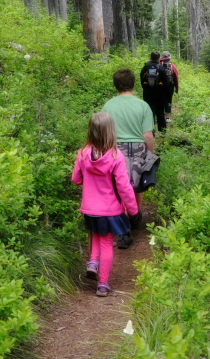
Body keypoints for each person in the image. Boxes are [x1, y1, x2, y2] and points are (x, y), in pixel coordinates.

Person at [72, 112, 141, 297]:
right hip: (110, 209)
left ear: (90, 131)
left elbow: (75, 179)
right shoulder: (116, 157)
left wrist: (88, 180)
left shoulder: (83, 154)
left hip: (90, 208)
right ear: (111, 132)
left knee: (96, 234)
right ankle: (102, 284)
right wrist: (134, 211)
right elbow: (124, 187)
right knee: (107, 242)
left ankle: (93, 262)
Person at [101, 68, 156, 249]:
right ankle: (135, 216)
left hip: (115, 149)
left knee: (118, 187)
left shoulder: (108, 106)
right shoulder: (143, 106)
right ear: (134, 84)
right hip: (138, 148)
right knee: (135, 184)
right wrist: (150, 154)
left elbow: (103, 132)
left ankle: (122, 221)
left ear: (115, 85)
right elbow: (147, 135)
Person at [140, 51, 168, 132]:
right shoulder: (161, 68)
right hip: (160, 94)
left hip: (148, 94)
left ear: (150, 57)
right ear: (159, 59)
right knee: (160, 113)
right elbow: (166, 84)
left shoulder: (145, 68)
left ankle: (151, 132)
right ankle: (163, 132)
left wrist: (145, 89)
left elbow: (142, 81)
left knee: (149, 113)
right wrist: (167, 97)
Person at [159, 51, 179, 124]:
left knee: (160, 100)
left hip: (160, 86)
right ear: (169, 57)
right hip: (170, 86)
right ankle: (167, 118)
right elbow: (176, 77)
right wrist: (177, 88)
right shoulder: (172, 66)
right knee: (168, 100)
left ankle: (160, 117)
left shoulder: (158, 64)